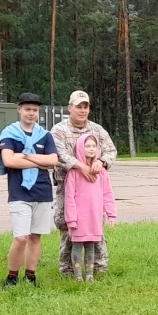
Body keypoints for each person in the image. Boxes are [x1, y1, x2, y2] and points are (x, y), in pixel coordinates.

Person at [0, 92, 61, 290]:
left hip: (41, 191)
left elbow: (52, 161)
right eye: (27, 109)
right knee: (21, 237)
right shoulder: (9, 134)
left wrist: (24, 156)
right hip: (19, 193)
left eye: (34, 110)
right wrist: (37, 158)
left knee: (35, 236)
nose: (31, 113)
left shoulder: (45, 135)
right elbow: (8, 160)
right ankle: (12, 276)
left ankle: (31, 275)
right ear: (19, 110)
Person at [52, 90, 118, 278]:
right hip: (68, 186)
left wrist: (101, 162)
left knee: (95, 225)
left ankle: (99, 267)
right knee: (67, 226)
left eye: (85, 106)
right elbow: (58, 154)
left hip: (93, 189)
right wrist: (80, 166)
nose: (82, 110)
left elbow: (111, 151)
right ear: (69, 107)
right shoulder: (59, 130)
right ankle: (67, 269)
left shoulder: (97, 130)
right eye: (78, 106)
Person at [64, 133, 117, 282]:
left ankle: (89, 275)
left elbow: (107, 194)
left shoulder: (102, 172)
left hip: (94, 217)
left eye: (94, 146)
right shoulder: (74, 173)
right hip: (79, 218)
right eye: (87, 146)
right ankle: (78, 276)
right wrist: (71, 219)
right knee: (77, 246)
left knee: (90, 247)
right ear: (81, 148)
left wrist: (111, 214)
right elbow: (69, 198)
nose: (91, 149)